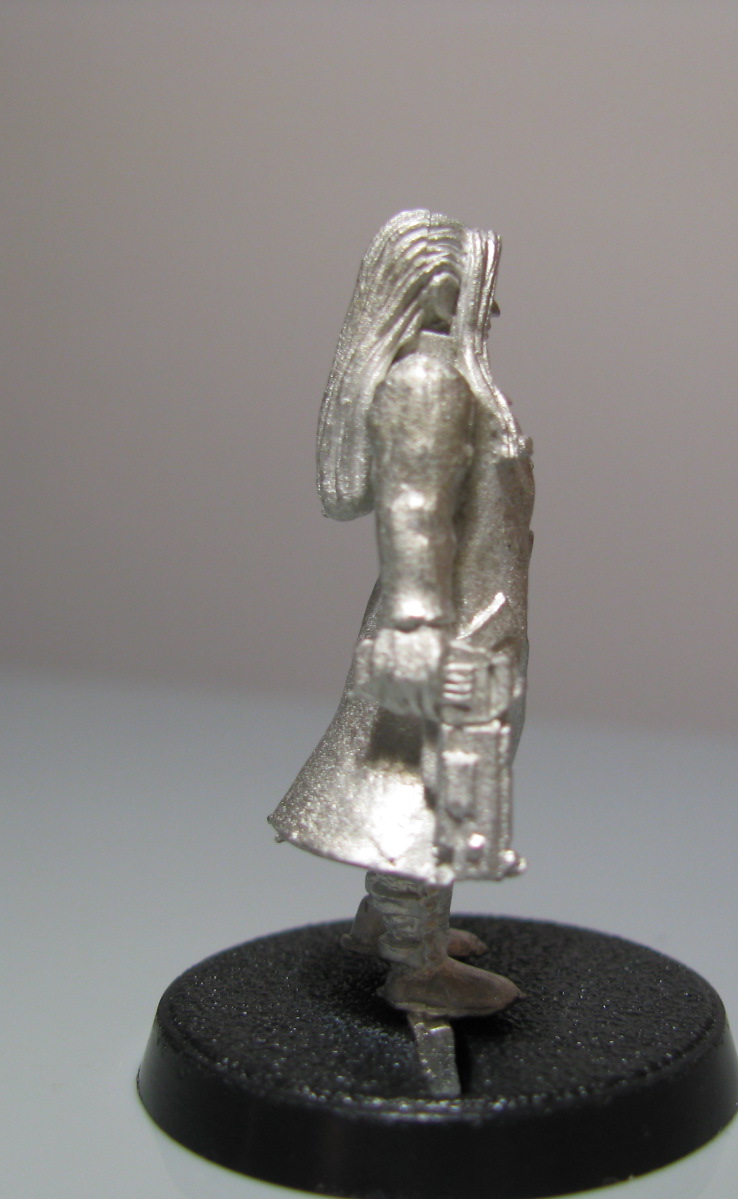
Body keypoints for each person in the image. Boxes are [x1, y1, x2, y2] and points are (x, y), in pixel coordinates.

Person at [269, 210, 532, 1020]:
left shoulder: (449, 379)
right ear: (444, 288)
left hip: (470, 614)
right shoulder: (430, 383)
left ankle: (388, 919)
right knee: (430, 781)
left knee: (417, 771)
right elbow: (413, 509)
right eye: (484, 288)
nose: (494, 308)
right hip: (448, 625)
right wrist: (419, 625)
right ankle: (418, 965)